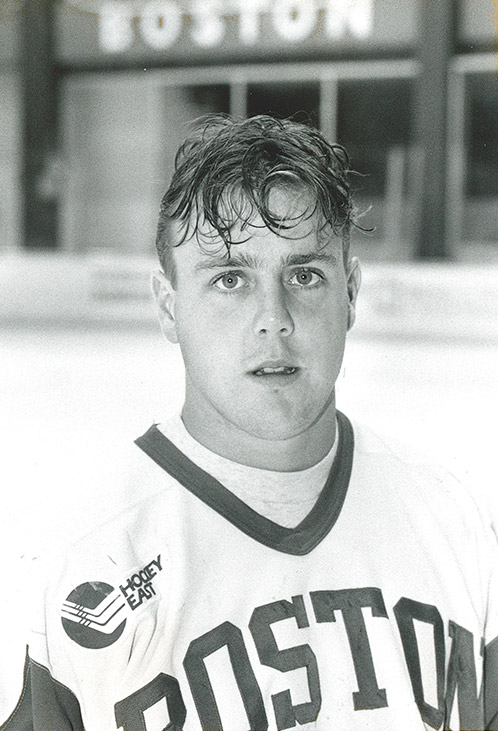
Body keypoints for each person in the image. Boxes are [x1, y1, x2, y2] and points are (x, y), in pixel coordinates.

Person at [1, 114, 497, 730]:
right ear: (168, 305)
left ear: (351, 294)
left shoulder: (459, 524)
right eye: (230, 279)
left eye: (305, 275)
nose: (274, 318)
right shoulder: (87, 560)